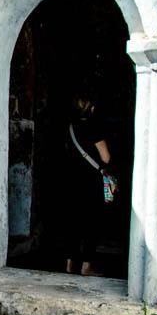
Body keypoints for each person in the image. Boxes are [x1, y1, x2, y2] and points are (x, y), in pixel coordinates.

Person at [64, 95, 117, 276]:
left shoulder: (70, 127)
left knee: (73, 221)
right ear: (92, 108)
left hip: (71, 180)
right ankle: (86, 265)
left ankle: (70, 263)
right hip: (91, 181)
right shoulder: (94, 128)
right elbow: (106, 157)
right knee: (91, 222)